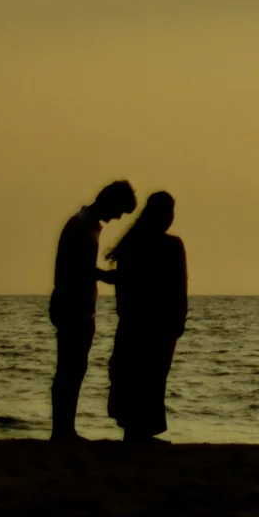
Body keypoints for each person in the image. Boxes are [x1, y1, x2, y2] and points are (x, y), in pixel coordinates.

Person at [46, 179, 135, 443]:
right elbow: (77, 267)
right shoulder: (81, 226)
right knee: (70, 368)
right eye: (118, 210)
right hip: (72, 304)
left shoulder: (86, 225)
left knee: (73, 367)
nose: (117, 217)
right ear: (110, 200)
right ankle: (62, 430)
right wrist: (107, 277)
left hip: (78, 304)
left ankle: (64, 429)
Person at [104, 190, 187, 446]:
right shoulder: (170, 245)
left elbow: (123, 285)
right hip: (157, 323)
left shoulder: (133, 244)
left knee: (137, 375)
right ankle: (139, 432)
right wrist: (179, 320)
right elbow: (178, 287)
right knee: (150, 377)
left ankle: (136, 431)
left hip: (137, 322)